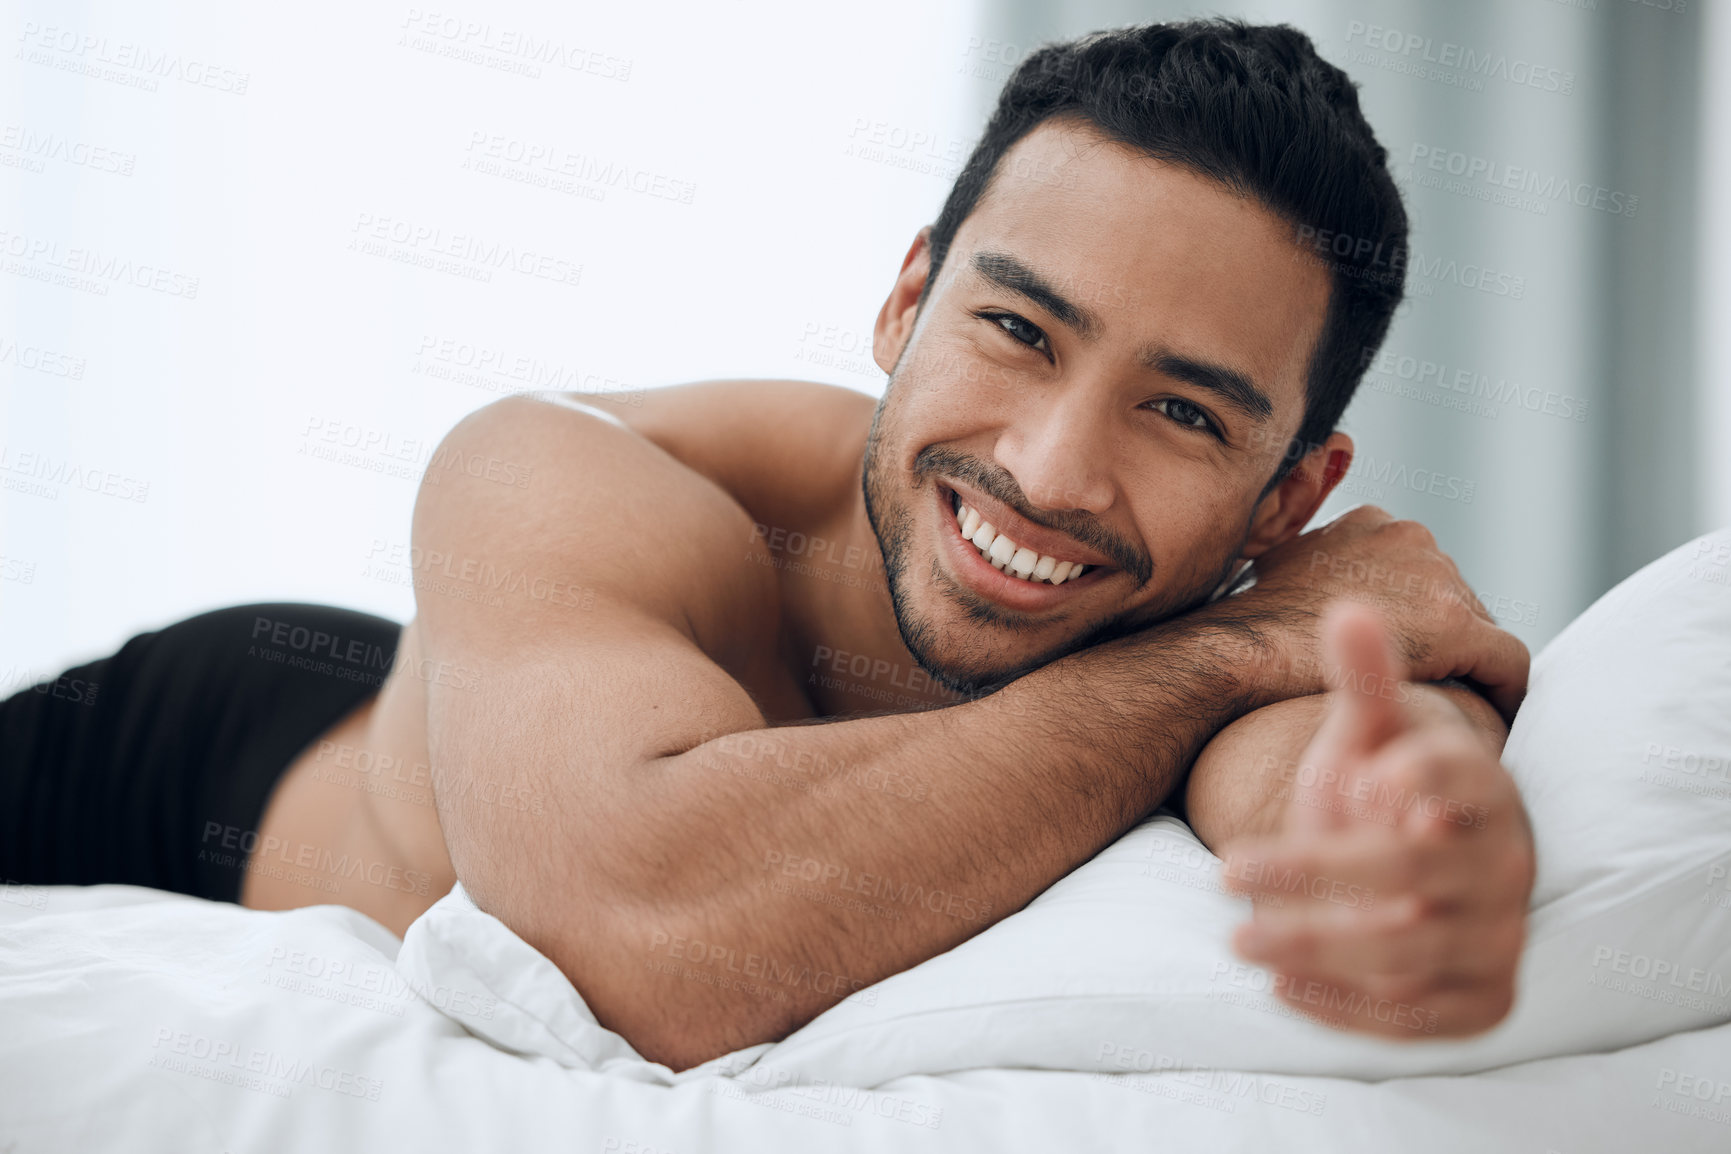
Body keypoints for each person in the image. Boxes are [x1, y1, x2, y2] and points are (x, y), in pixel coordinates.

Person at [0, 19, 1534, 1071]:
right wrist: (1222, 653)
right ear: (904, 300)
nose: (1051, 472)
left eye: (1186, 415)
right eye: (1015, 327)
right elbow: (646, 930)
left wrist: (1431, 831)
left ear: (1289, 500)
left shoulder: (1239, 622)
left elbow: (1337, 787)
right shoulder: (570, 469)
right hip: (163, 769)